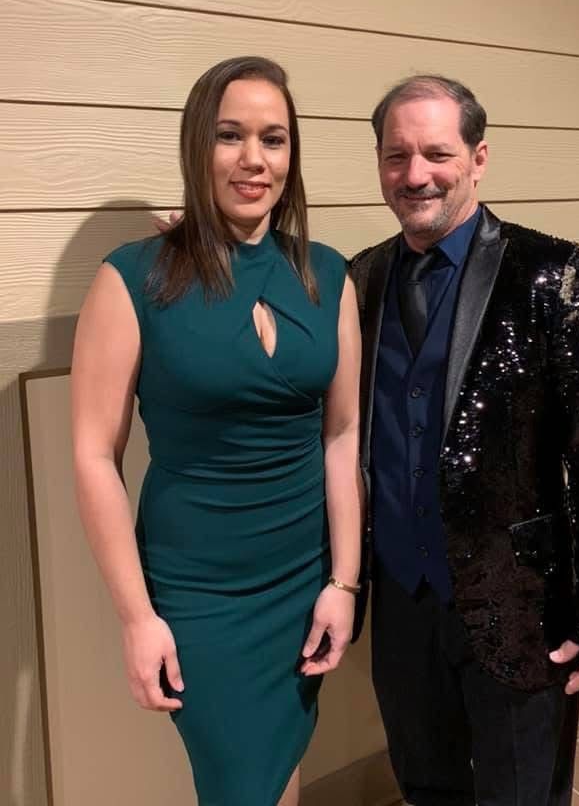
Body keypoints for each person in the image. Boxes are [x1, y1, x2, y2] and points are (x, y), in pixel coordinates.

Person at [71, 56, 363, 806]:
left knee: (280, 766)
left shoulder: (327, 275)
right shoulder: (133, 277)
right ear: (197, 143)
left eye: (274, 139)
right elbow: (94, 456)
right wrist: (137, 619)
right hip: (197, 591)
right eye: (230, 136)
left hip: (302, 576)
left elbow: (341, 437)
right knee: (239, 783)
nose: (253, 159)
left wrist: (343, 582)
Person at [349, 75, 579, 806]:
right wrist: (201, 242)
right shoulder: (362, 277)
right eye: (396, 155)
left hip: (523, 605)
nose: (415, 174)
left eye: (436, 153)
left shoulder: (551, 271)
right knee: (425, 784)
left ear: (478, 158)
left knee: (523, 793)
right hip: (401, 602)